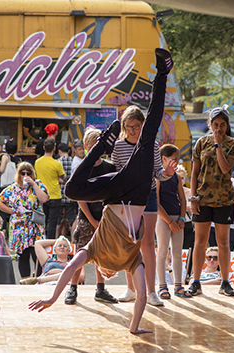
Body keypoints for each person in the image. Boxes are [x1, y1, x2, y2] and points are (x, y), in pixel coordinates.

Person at [29, 47, 174, 334]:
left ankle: (100, 145)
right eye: (107, 275)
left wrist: (52, 298)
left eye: (104, 275)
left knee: (72, 189)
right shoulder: (131, 262)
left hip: (116, 189)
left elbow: (70, 269)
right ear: (112, 274)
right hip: (135, 191)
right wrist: (133, 328)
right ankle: (162, 72)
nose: (106, 273)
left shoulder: (93, 252)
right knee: (148, 137)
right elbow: (142, 296)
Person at [112, 96, 176, 307]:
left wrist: (167, 173)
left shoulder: (152, 145)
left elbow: (158, 174)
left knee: (148, 243)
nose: (133, 130)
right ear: (123, 127)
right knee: (130, 244)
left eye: (137, 126)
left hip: (147, 196)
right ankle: (131, 289)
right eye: (129, 127)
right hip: (127, 200)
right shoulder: (118, 146)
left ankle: (151, 291)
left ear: (143, 125)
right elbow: (114, 173)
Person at [188, 105, 234, 297]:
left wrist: (218, 145)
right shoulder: (201, 142)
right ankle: (195, 282)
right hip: (202, 199)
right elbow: (194, 173)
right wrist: (193, 198)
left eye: (222, 124)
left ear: (227, 125)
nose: (218, 128)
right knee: (200, 241)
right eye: (215, 124)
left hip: (224, 200)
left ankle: (225, 282)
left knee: (223, 242)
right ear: (209, 125)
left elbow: (226, 168)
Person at [65, 128, 119, 305]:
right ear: (87, 147)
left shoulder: (109, 167)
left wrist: (104, 219)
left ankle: (100, 288)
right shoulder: (82, 168)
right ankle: (72, 288)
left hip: (104, 217)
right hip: (86, 217)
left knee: (101, 254)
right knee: (80, 253)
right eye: (92, 145)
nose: (95, 148)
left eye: (99, 144)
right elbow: (80, 198)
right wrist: (92, 220)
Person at [0, 162, 49, 278]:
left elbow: (44, 199)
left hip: (35, 226)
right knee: (22, 256)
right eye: (22, 173)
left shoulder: (38, 184)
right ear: (18, 174)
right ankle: (25, 281)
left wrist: (33, 183)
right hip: (19, 227)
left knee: (37, 255)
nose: (25, 175)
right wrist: (12, 211)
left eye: (28, 173)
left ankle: (38, 279)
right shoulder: (13, 188)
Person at [155, 144, 190, 299]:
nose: (176, 162)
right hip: (163, 219)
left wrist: (182, 218)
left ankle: (178, 285)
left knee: (177, 252)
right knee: (162, 251)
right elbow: (156, 202)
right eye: (173, 159)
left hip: (177, 217)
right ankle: (162, 285)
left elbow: (182, 198)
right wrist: (169, 221)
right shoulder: (157, 177)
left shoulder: (176, 176)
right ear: (164, 158)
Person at [35, 137, 65, 239]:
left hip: (42, 195)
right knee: (52, 223)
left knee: (42, 222)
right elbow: (64, 178)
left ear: (43, 147)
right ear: (54, 148)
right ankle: (50, 245)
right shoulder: (57, 164)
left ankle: (41, 241)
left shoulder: (37, 162)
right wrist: (59, 179)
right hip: (55, 195)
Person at [56, 142, 77, 238]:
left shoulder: (57, 162)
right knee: (72, 219)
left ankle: (56, 241)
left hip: (59, 194)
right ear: (69, 151)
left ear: (59, 151)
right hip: (70, 194)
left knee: (58, 219)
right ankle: (73, 241)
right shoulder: (74, 161)